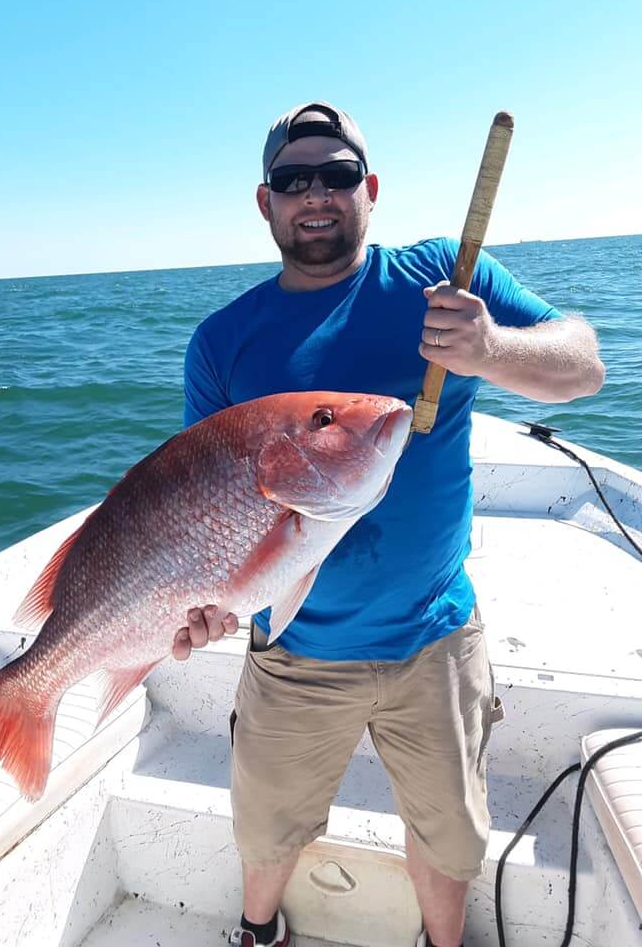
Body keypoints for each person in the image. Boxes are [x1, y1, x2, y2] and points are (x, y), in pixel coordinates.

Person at [172, 102, 605, 947]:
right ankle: (259, 931)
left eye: (336, 175)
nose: (316, 195)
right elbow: (202, 504)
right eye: (293, 181)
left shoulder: (444, 273)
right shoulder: (221, 341)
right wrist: (206, 603)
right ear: (266, 204)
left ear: (369, 189)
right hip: (292, 650)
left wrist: (493, 352)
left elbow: (583, 364)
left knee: (450, 834)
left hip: (435, 640)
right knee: (266, 829)